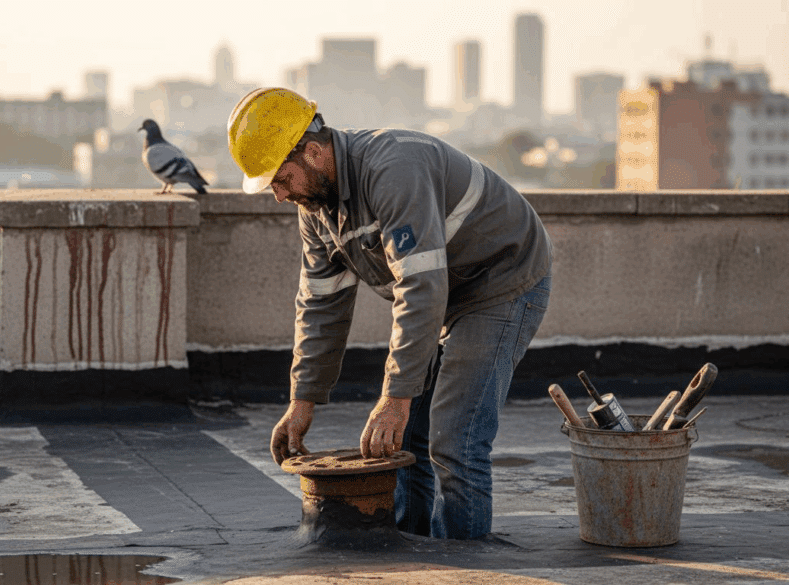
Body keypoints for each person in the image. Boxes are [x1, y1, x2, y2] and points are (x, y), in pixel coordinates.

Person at [227, 87, 553, 540]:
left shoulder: (393, 170)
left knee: (455, 441)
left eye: (280, 180)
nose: (279, 196)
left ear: (315, 153)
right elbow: (321, 305)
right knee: (401, 442)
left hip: (501, 281)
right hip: (447, 291)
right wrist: (302, 402)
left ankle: (467, 566)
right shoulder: (317, 209)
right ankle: (412, 551)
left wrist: (396, 399)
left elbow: (421, 287)